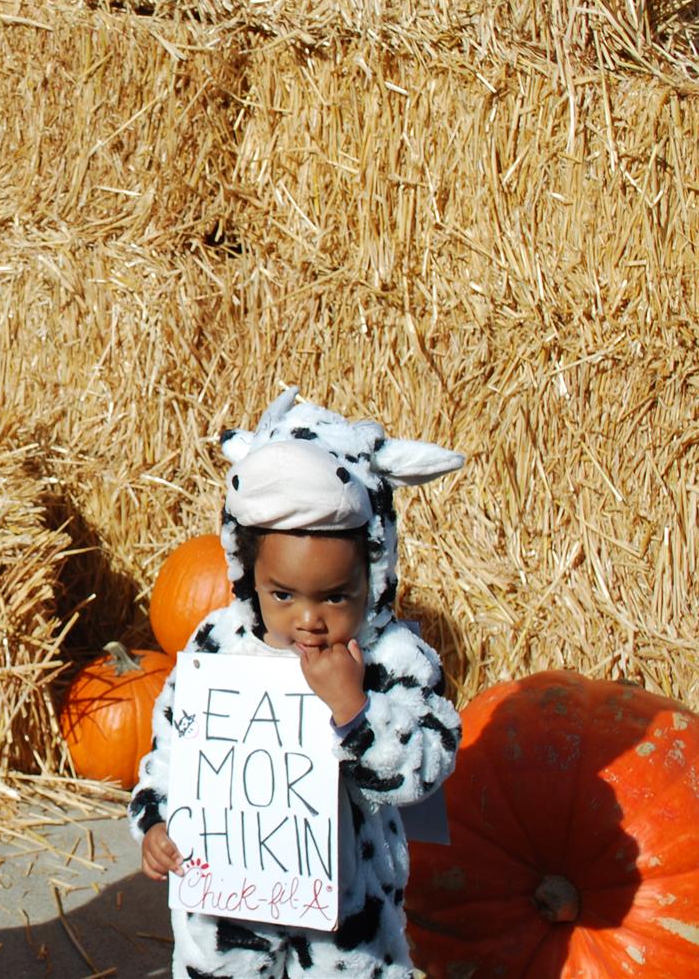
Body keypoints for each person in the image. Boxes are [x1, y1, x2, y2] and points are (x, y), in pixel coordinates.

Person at [130, 389, 464, 979]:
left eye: (335, 596)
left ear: (375, 574)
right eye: (283, 594)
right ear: (247, 573)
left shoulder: (390, 658)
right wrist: (155, 819)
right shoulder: (221, 645)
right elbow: (173, 744)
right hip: (226, 908)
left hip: (345, 920)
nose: (309, 618)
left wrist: (355, 711)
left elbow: (424, 769)